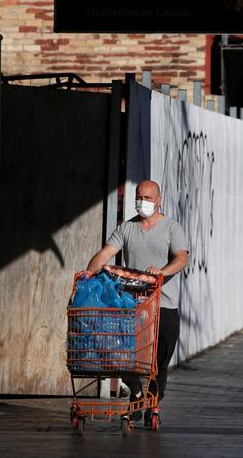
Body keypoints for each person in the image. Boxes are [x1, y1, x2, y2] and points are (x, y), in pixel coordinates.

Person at [82, 180, 189, 422]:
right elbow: (106, 253)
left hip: (163, 305)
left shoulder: (172, 228)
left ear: (159, 200)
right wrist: (89, 271)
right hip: (132, 306)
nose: (143, 202)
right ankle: (137, 395)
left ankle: (151, 402)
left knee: (159, 362)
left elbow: (182, 258)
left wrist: (161, 272)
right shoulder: (127, 228)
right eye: (139, 197)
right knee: (125, 356)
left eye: (148, 198)